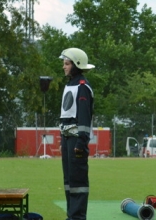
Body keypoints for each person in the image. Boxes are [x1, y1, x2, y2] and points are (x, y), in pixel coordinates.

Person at [59, 47, 95, 220]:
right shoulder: (71, 85)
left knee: (78, 183)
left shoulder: (82, 87)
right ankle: (71, 216)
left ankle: (77, 217)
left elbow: (84, 117)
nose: (64, 67)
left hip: (75, 140)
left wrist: (81, 142)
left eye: (66, 64)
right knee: (69, 182)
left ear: (76, 65)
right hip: (67, 139)